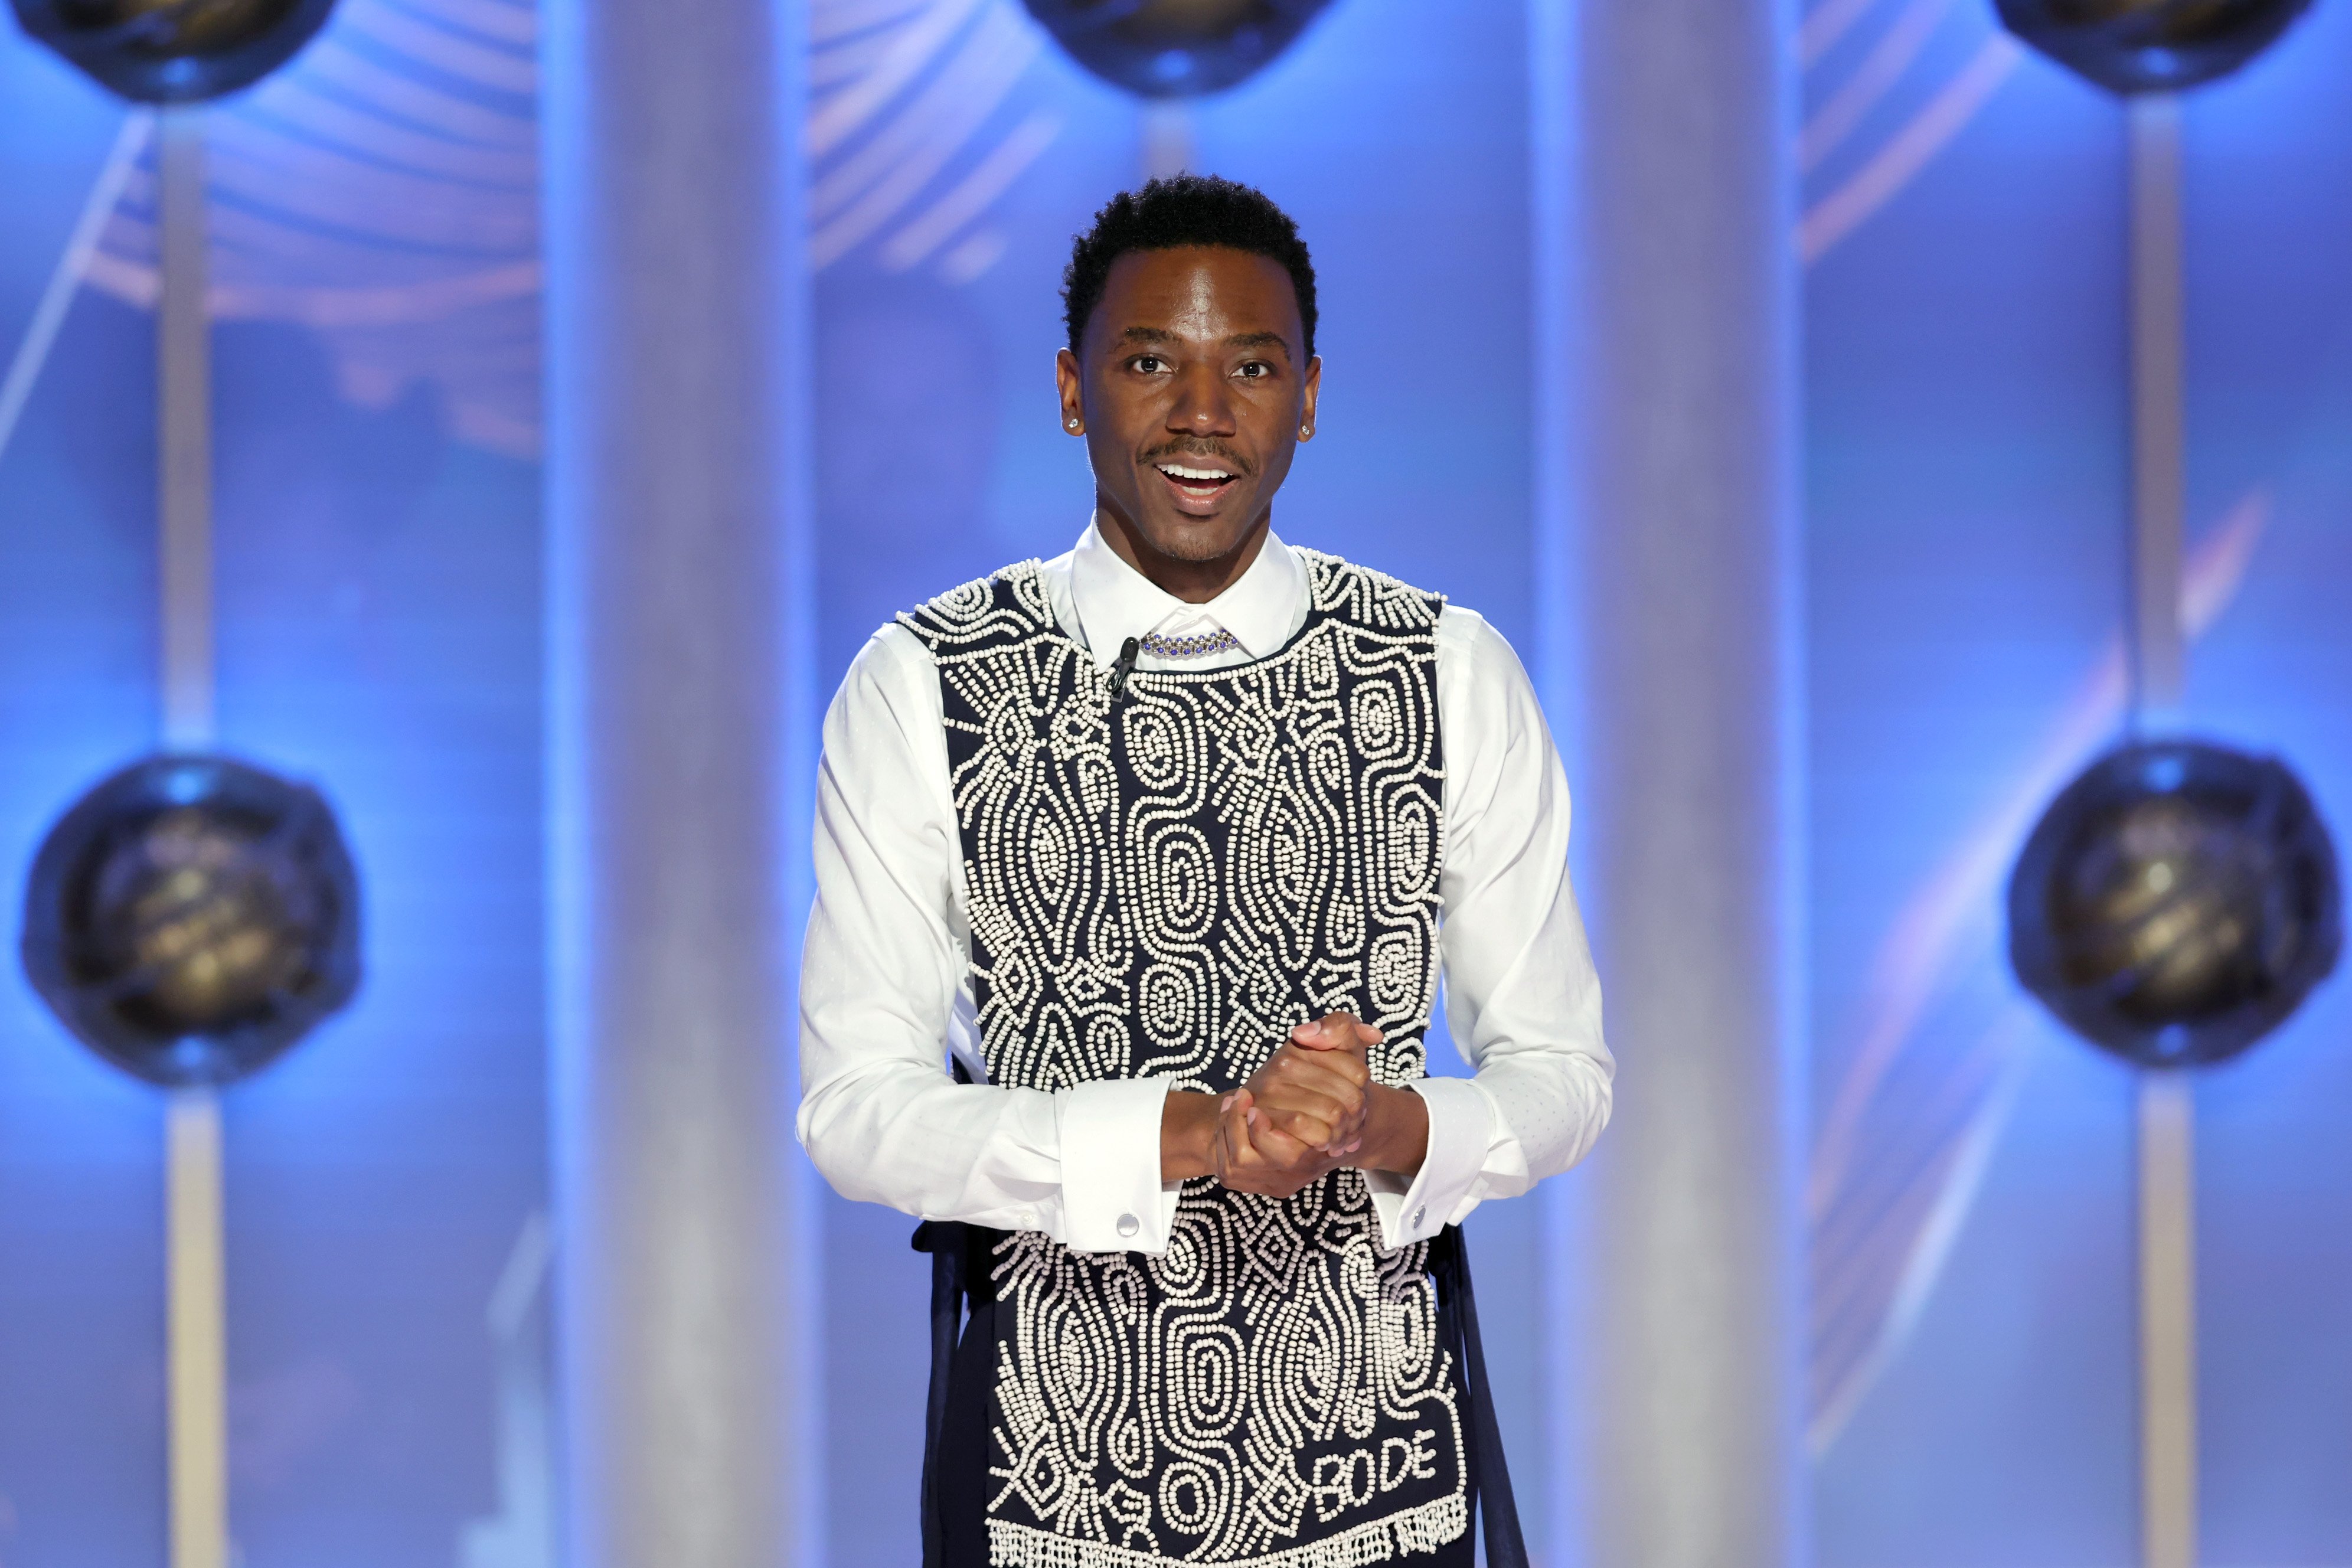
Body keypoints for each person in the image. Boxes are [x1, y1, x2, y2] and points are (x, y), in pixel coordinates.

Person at [798, 174, 1611, 1568]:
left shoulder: (1445, 669)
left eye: (1249, 365)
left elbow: (1563, 1074)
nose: (1199, 411)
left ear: (1307, 396)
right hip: (1054, 1492)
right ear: (1071, 389)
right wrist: (1173, 1136)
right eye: (1146, 361)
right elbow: (856, 1112)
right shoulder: (923, 680)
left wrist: (1384, 1129)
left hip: (1378, 1486)